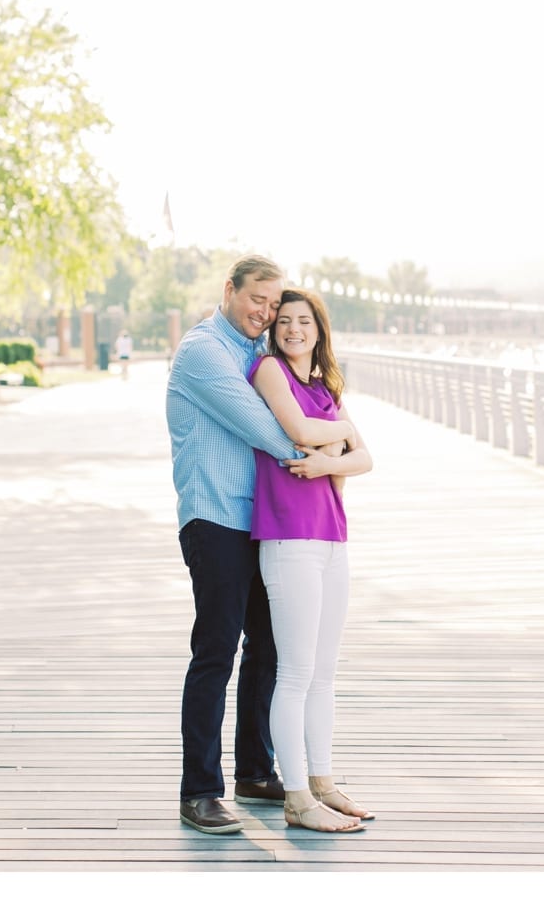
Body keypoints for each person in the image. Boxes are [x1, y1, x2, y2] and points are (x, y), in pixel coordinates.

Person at [166, 256, 355, 835]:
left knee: (270, 650)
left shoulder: (257, 354)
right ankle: (199, 790)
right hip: (217, 519)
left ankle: (255, 769)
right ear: (230, 290)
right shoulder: (204, 353)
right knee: (216, 650)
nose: (268, 314)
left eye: (275, 307)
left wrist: (332, 443)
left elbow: (300, 410)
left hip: (264, 524)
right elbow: (272, 432)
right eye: (259, 301)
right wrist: (339, 441)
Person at [249, 287, 374, 833]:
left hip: (331, 537)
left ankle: (321, 782)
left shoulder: (326, 387)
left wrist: (328, 461)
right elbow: (299, 432)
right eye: (285, 321)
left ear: (320, 330)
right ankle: (297, 798)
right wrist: (339, 441)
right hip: (289, 537)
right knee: (296, 672)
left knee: (324, 673)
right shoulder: (270, 370)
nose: (293, 329)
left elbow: (365, 459)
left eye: (304, 322)